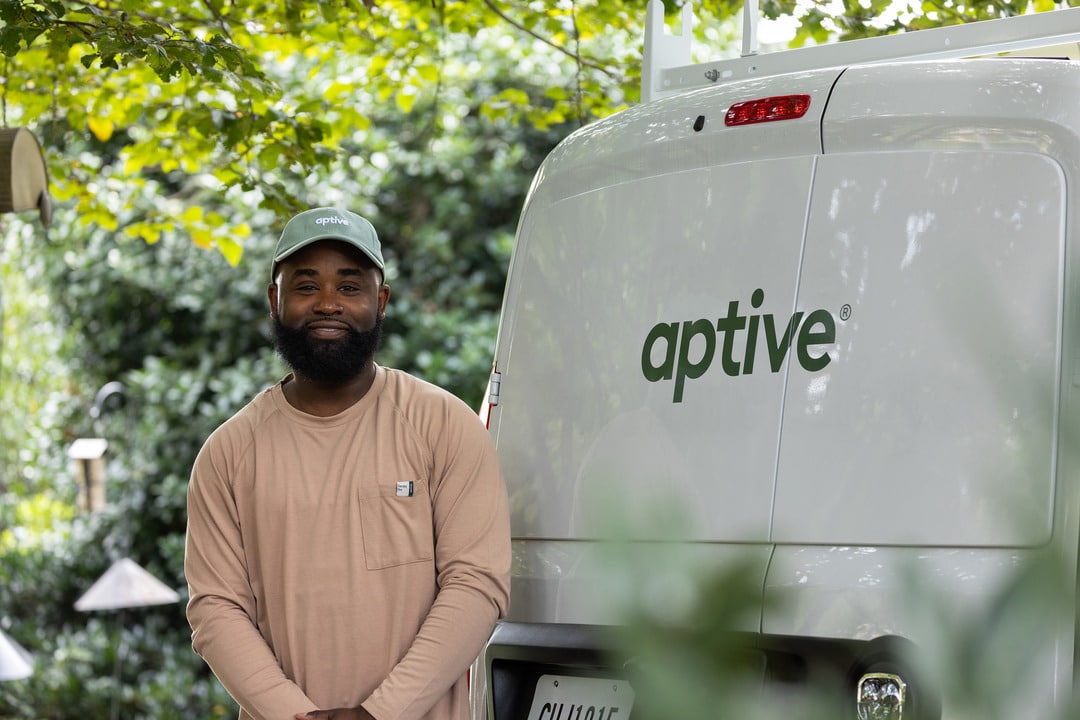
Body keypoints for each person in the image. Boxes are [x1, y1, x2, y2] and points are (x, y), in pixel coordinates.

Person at [184, 207, 512, 720]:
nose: (328, 304)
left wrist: (378, 714)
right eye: (307, 286)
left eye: (350, 287)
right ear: (276, 300)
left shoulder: (442, 425)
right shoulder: (228, 454)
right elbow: (215, 609)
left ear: (380, 301)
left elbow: (477, 585)